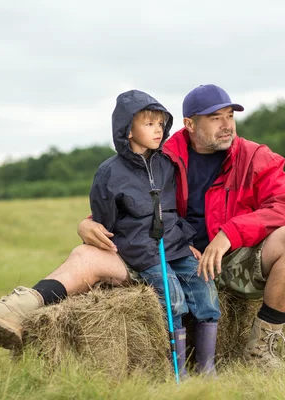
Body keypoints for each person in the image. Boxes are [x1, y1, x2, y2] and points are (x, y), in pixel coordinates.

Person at [0, 84, 285, 370]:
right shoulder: (164, 155)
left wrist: (230, 233)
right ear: (188, 124)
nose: (226, 125)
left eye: (230, 116)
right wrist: (88, 224)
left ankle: (259, 349)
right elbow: (127, 192)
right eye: (215, 118)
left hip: (228, 261)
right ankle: (15, 310)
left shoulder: (255, 156)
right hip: (163, 256)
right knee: (86, 254)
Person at [90, 89, 221, 374]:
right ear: (128, 130)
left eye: (161, 124)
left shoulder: (166, 164)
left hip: (174, 245)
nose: (158, 130)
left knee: (205, 288)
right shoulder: (108, 173)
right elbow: (104, 221)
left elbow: (174, 209)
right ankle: (179, 372)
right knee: (173, 298)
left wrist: (185, 241)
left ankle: (206, 369)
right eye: (149, 124)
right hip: (142, 251)